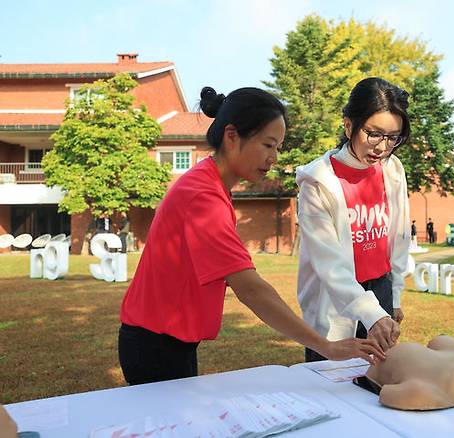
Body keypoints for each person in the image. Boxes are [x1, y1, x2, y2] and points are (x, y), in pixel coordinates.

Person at [118, 86, 384, 385]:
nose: (273, 158)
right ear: (232, 136)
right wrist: (325, 346)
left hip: (165, 342)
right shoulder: (202, 196)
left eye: (279, 148)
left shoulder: (209, 185)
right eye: (268, 145)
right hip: (155, 346)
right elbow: (251, 289)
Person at [296, 77, 411, 362]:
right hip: (336, 299)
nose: (382, 147)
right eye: (373, 134)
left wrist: (393, 297)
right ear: (349, 125)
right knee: (330, 386)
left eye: (392, 137)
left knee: (375, 381)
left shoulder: (392, 170)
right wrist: (370, 313)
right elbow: (329, 264)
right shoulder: (318, 182)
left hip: (379, 288)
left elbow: (398, 237)